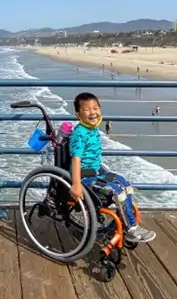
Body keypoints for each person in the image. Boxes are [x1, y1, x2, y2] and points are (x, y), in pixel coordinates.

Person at [69, 92, 155, 243]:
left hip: (96, 173)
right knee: (116, 190)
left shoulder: (92, 129)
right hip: (84, 178)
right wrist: (76, 184)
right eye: (87, 109)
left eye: (96, 108)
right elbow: (76, 159)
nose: (93, 112)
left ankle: (126, 220)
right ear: (78, 114)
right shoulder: (80, 133)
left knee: (124, 183)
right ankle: (132, 228)